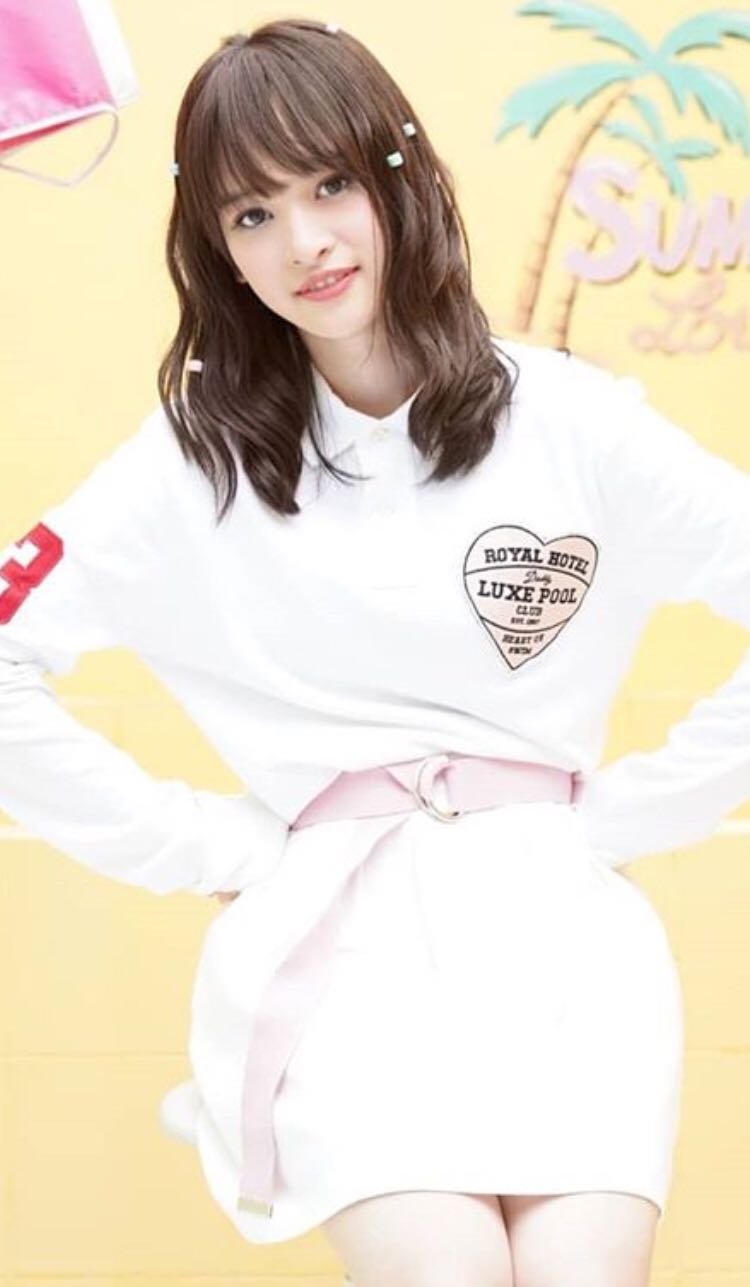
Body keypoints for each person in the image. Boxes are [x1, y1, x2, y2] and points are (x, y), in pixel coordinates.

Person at [2, 15, 750, 1287]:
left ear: (399, 176)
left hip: (566, 954)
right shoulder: (195, 460)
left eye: (330, 185)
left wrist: (631, 812)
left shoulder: (567, 419)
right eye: (252, 214)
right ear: (218, 251)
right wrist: (210, 846)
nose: (304, 242)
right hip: (344, 957)